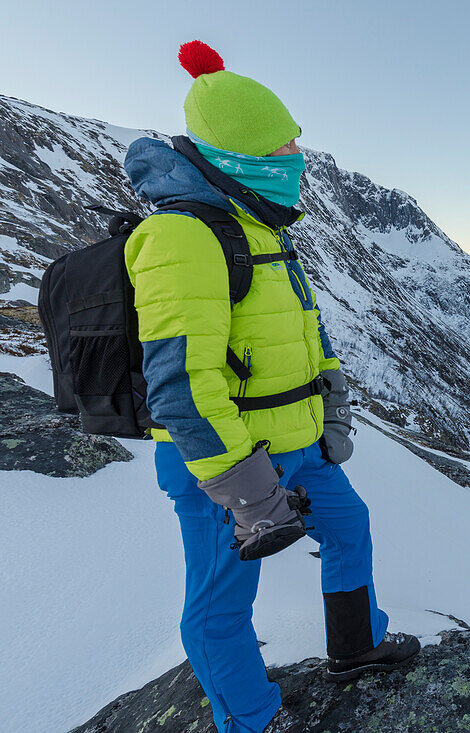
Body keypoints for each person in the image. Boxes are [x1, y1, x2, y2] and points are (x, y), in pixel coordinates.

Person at [122, 40, 419, 733]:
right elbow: (180, 385)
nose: (297, 154)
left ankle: (353, 644)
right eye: (282, 142)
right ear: (240, 153)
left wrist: (331, 408)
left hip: (297, 446)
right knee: (222, 601)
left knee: (350, 527)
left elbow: (309, 335)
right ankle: (251, 720)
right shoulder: (182, 236)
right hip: (224, 466)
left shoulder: (265, 227)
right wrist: (248, 489)